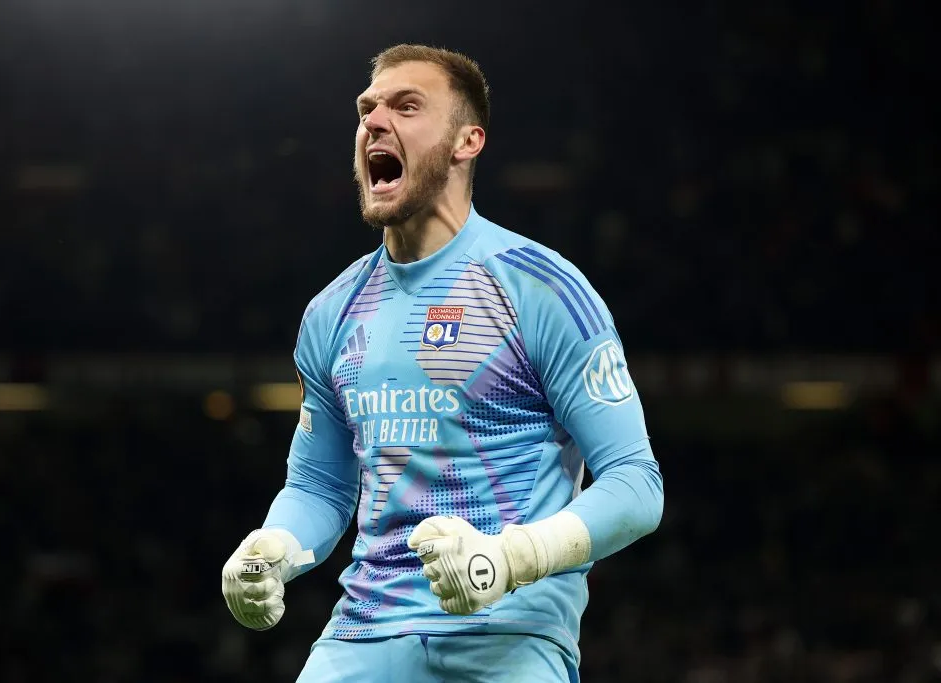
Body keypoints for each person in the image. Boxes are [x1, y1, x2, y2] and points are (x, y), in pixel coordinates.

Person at [221, 43, 664, 682]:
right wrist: (272, 548)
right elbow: (320, 485)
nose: (375, 122)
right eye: (367, 109)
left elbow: (635, 484)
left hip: (510, 636)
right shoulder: (333, 313)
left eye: (406, 106)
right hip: (366, 636)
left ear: (466, 142)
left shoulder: (540, 290)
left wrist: (510, 559)